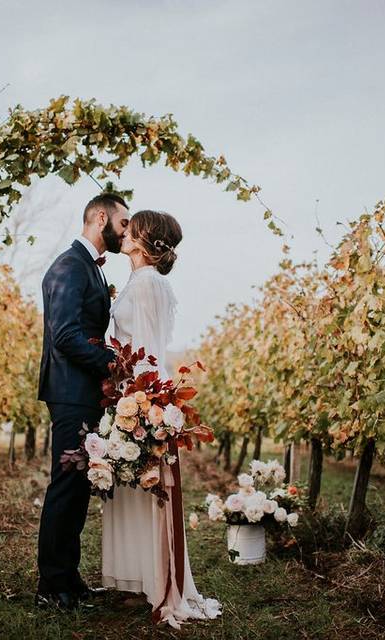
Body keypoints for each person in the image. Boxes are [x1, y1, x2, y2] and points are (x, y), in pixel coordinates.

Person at [100, 210, 222, 628]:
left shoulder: (150, 282)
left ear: (144, 238)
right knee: (133, 488)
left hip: (142, 393)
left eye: (132, 226)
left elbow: (149, 348)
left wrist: (146, 399)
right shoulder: (139, 280)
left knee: (150, 490)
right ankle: (137, 576)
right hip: (126, 391)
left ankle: (158, 581)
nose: (125, 229)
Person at [35, 193, 129, 610]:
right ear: (101, 218)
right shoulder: (69, 266)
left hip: (83, 392)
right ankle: (51, 587)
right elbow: (65, 335)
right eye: (124, 223)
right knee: (66, 488)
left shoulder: (86, 267)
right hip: (71, 392)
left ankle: (68, 581)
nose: (127, 231)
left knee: (77, 491)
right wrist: (112, 363)